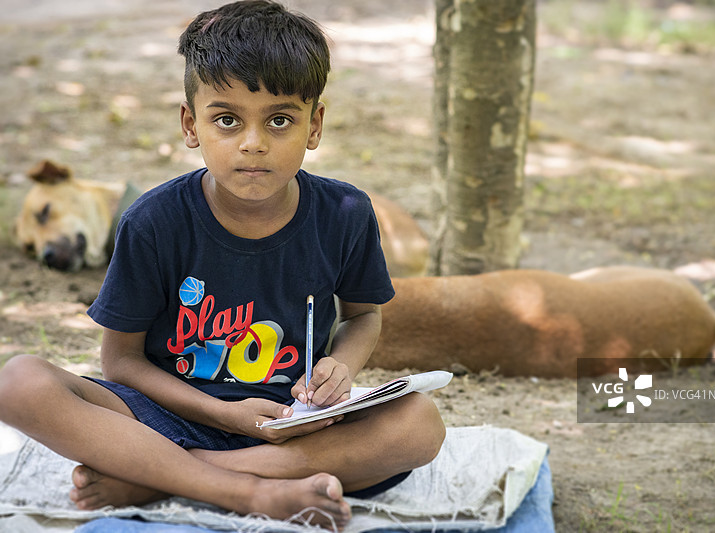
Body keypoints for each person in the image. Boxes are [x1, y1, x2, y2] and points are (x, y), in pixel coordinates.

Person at [0, 1, 446, 529]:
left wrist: (341, 367)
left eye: (280, 119)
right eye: (227, 120)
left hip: (292, 421)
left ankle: (161, 480)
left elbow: (363, 317)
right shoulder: (152, 222)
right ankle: (245, 490)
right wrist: (221, 413)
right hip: (166, 417)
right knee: (19, 381)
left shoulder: (345, 214)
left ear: (315, 125)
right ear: (191, 125)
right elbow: (121, 364)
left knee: (421, 425)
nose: (253, 144)